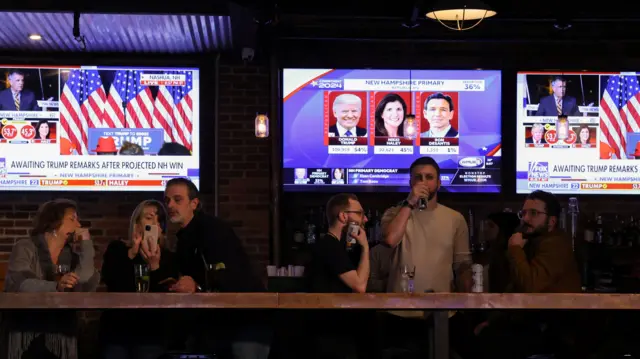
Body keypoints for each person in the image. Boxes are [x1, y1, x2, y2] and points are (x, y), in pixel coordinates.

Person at [163, 178, 270, 358]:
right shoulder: (183, 237)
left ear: (194, 203)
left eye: (177, 199)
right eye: (167, 200)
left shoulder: (212, 229)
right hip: (217, 322)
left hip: (246, 317)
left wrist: (195, 285)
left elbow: (230, 273)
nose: (170, 205)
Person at [379, 156, 471, 357]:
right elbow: (390, 240)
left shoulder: (455, 219)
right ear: (410, 182)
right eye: (418, 178)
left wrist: (467, 304)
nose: (423, 182)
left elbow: (462, 264)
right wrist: (410, 203)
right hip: (399, 312)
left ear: (439, 183)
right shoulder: (394, 213)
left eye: (429, 177)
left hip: (442, 312)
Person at [0, 199, 100, 359]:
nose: (79, 224)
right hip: (25, 327)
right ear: (54, 222)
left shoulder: (73, 255)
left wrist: (86, 245)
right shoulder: (25, 247)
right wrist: (56, 287)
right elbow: (21, 283)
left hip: (61, 331)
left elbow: (85, 280)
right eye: (72, 218)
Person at [100, 200, 178, 359]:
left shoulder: (169, 257)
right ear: (137, 224)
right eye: (149, 218)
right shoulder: (118, 249)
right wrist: (132, 254)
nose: (155, 223)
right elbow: (111, 280)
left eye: (159, 220)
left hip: (151, 333)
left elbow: (167, 295)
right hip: (117, 331)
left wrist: (155, 266)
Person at [306, 193, 370, 359]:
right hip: (329, 332)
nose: (365, 220)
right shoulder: (330, 246)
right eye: (360, 214)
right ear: (343, 216)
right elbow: (359, 286)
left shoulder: (335, 246)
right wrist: (365, 247)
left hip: (333, 330)